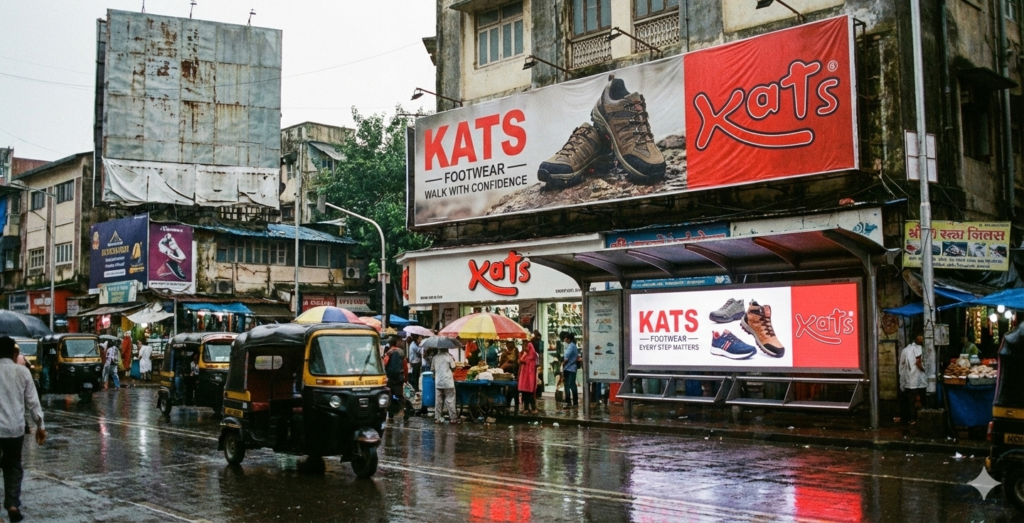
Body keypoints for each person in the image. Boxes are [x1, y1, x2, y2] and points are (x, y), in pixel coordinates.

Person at [0, 336, 46, 522]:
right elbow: (33, 402)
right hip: (14, 431)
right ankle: (12, 504)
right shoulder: (23, 372)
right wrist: (40, 426)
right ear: (14, 353)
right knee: (13, 468)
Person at [899, 334, 927, 425]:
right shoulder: (919, 349)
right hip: (918, 380)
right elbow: (918, 363)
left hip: (909, 381)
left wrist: (902, 381)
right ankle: (918, 419)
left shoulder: (905, 350)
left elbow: (901, 367)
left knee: (910, 401)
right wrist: (926, 370)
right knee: (920, 400)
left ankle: (911, 419)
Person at [384, 343, 412, 421]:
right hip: (399, 379)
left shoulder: (388, 353)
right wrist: (405, 379)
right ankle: (405, 413)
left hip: (390, 379)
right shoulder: (401, 353)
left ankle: (390, 415)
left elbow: (384, 364)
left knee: (390, 396)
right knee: (400, 397)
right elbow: (405, 367)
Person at [431, 346, 459, 424]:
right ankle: (453, 418)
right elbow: (453, 368)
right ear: (447, 348)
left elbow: (432, 370)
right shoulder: (449, 357)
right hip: (448, 382)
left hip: (438, 382)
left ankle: (437, 418)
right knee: (450, 400)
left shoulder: (435, 357)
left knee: (438, 401)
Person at [518, 337, 539, 414]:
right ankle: (526, 408)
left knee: (529, 393)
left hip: (528, 376)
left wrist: (524, 356)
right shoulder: (526, 353)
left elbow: (522, 359)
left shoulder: (530, 354)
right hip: (525, 376)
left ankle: (533, 408)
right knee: (525, 392)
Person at [561, 332, 579, 409]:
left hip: (569, 368)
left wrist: (562, 365)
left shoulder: (571, 346)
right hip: (572, 368)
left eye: (565, 338)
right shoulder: (573, 346)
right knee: (572, 385)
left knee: (568, 385)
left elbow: (566, 358)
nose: (565, 339)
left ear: (568, 339)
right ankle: (575, 402)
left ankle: (569, 402)